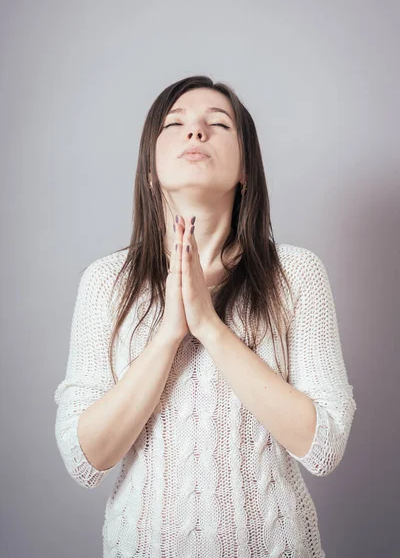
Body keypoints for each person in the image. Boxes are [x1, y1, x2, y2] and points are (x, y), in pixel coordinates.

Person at [54, 75, 357, 557]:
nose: (195, 133)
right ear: (150, 168)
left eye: (218, 124)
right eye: (175, 124)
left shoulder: (296, 275)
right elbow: (85, 458)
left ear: (245, 169)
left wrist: (211, 328)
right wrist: (170, 333)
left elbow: (323, 446)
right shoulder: (105, 282)